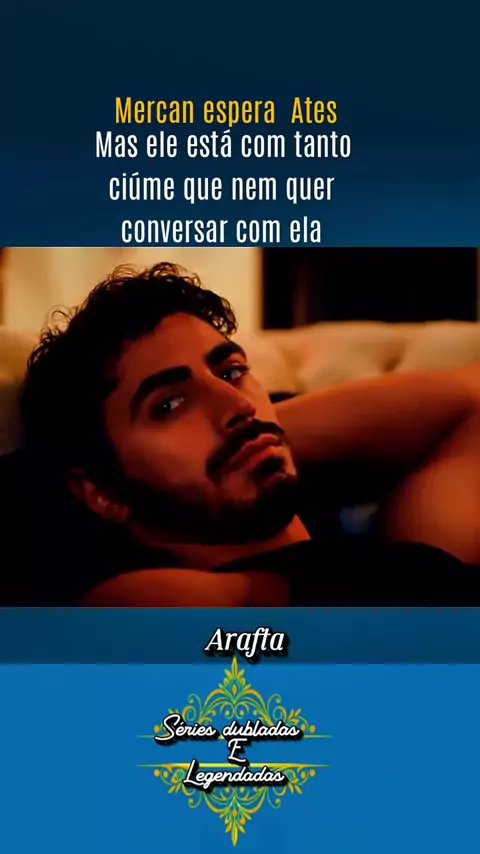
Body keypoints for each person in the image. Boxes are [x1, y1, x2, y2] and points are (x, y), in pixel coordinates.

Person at [20, 262, 480, 607]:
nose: (240, 406)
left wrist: (259, 432)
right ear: (101, 494)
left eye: (232, 371)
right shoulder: (141, 600)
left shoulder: (404, 555)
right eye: (169, 405)